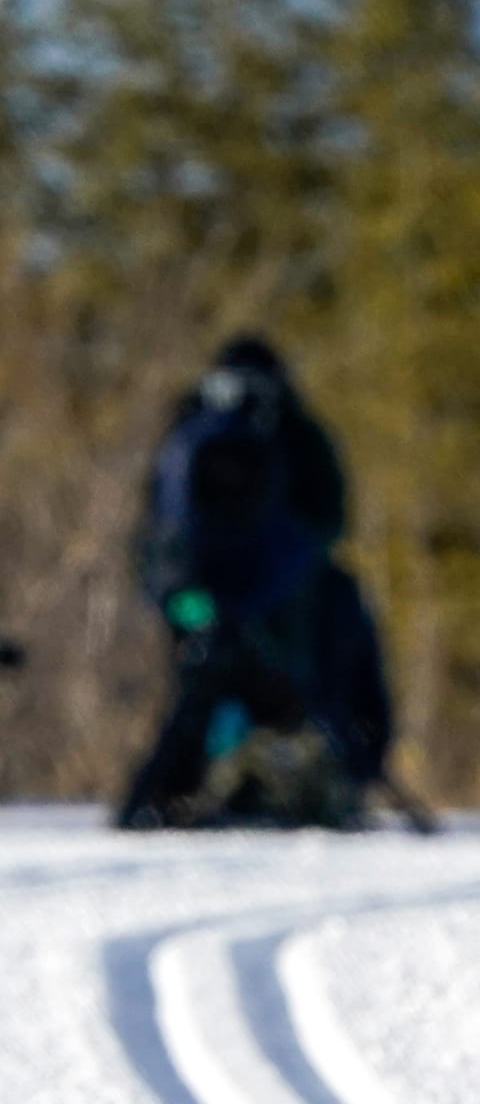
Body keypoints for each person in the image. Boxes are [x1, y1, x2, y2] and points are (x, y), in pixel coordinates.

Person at [119, 335, 393, 829]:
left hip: (246, 601)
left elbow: (322, 523)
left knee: (235, 687)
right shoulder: (203, 434)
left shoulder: (265, 434)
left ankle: (242, 782)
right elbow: (163, 531)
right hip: (227, 601)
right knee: (216, 687)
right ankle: (186, 787)